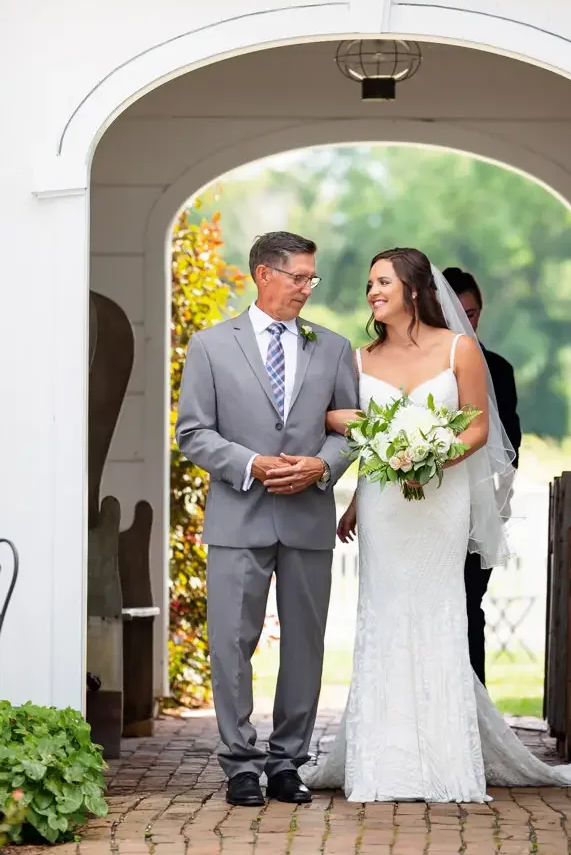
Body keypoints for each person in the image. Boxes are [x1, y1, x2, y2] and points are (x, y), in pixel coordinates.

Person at [299, 247, 571, 802]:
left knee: (438, 615)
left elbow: (477, 429)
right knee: (383, 615)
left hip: (442, 500)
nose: (372, 292)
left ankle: (446, 762)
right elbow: (339, 419)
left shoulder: (460, 349)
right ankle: (382, 763)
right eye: (369, 284)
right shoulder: (358, 358)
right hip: (386, 503)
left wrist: (426, 457)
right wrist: (364, 486)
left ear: (412, 288)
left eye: (382, 281)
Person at [176, 231, 358, 807]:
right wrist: (251, 463)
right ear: (263, 274)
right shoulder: (209, 346)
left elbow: (349, 429)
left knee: (305, 644)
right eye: (298, 276)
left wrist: (319, 467)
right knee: (232, 642)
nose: (307, 287)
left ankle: (287, 763)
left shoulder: (333, 347)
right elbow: (193, 433)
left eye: (312, 278)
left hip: (307, 516)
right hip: (238, 514)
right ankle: (240, 765)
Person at [442, 266, 521, 686]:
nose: (465, 321)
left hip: (477, 509)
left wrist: (490, 504)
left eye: (472, 314)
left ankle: (473, 712)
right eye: (458, 312)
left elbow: (512, 445)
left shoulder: (499, 369)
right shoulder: (422, 365)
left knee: (470, 605)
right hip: (425, 504)